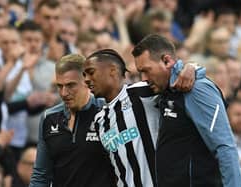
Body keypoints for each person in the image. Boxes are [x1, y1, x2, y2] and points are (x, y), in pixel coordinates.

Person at [131, 34, 241, 187]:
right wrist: (190, 66)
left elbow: (225, 148)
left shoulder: (197, 89)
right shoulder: (165, 90)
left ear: (167, 61)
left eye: (146, 70)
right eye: (140, 72)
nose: (143, 78)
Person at [83, 48, 201, 186]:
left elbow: (174, 76)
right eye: (84, 75)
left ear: (112, 70)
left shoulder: (142, 91)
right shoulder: (99, 121)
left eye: (91, 72)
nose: (86, 80)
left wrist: (191, 66)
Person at [29, 54, 116, 187]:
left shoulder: (107, 111)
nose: (64, 93)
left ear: (87, 81)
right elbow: (41, 175)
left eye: (70, 85)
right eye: (60, 86)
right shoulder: (49, 118)